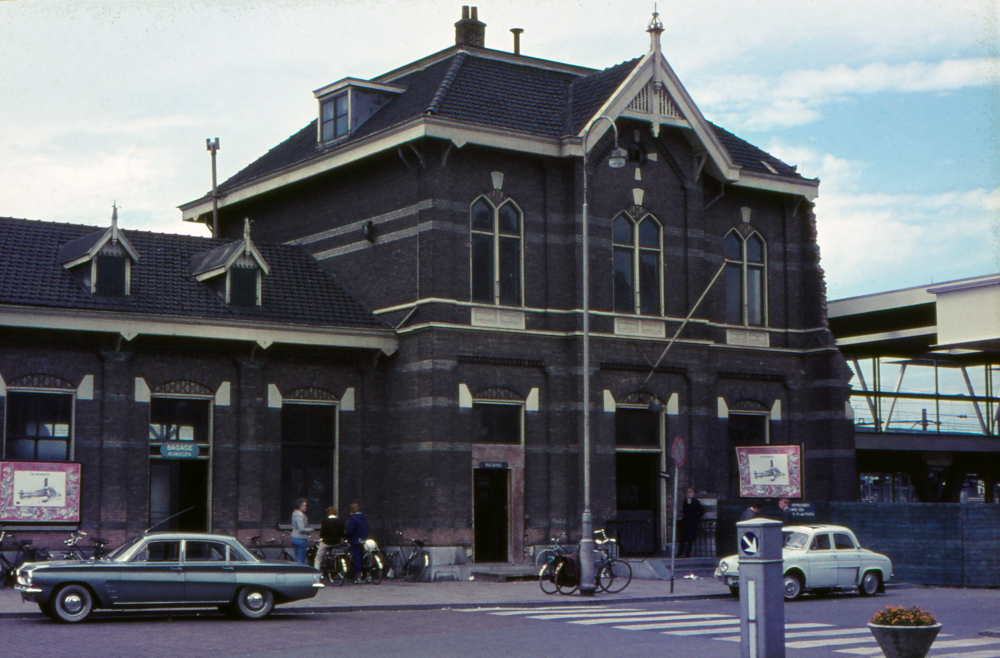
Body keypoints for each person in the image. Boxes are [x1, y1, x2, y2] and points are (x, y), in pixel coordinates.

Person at [344, 502, 370, 584]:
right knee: (364, 557)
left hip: (355, 541)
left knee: (357, 559)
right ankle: (367, 575)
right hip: (363, 540)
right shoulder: (363, 517)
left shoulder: (353, 518)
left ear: (351, 511)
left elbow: (350, 530)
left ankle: (358, 577)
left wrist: (345, 537)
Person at [314, 506, 346, 571]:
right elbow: (342, 533)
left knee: (318, 558)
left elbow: (322, 534)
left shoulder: (325, 522)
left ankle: (316, 572)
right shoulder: (340, 522)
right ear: (336, 513)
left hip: (326, 542)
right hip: (336, 542)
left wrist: (322, 537)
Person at [678, 487, 704, 558]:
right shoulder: (685, 501)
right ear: (687, 494)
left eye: (692, 493)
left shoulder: (696, 502)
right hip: (685, 522)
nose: (691, 494)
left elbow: (702, 511)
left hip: (692, 523)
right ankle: (680, 552)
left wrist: (695, 518)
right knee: (682, 538)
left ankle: (687, 553)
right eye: (689, 493)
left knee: (690, 538)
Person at [290, 498, 312, 564]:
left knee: (297, 557)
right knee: (301, 559)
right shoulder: (300, 515)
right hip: (300, 538)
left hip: (294, 537)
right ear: (300, 506)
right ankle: (299, 572)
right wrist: (310, 530)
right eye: (304, 505)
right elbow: (301, 529)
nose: (306, 507)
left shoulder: (294, 513)